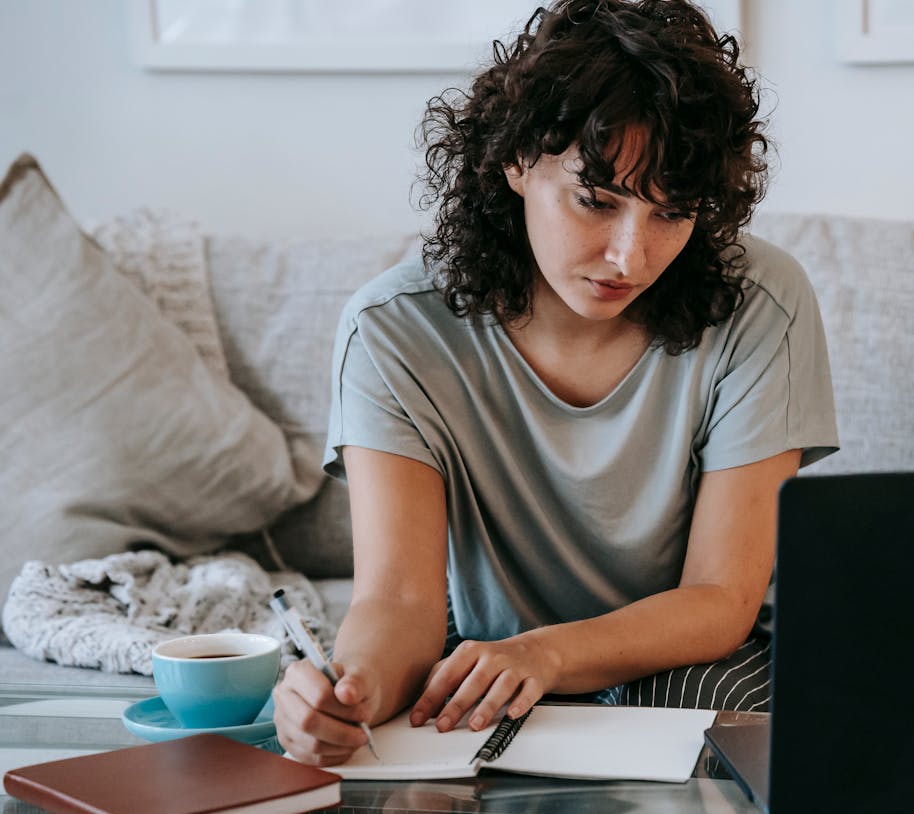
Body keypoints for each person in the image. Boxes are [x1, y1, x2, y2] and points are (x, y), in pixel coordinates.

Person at [274, 0, 838, 766]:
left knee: (690, 716)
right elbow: (399, 601)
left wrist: (548, 655)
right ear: (516, 162)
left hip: (690, 659)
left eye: (672, 214)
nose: (629, 257)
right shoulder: (392, 331)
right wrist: (351, 692)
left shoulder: (762, 304)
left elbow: (721, 598)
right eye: (596, 201)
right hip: (490, 654)